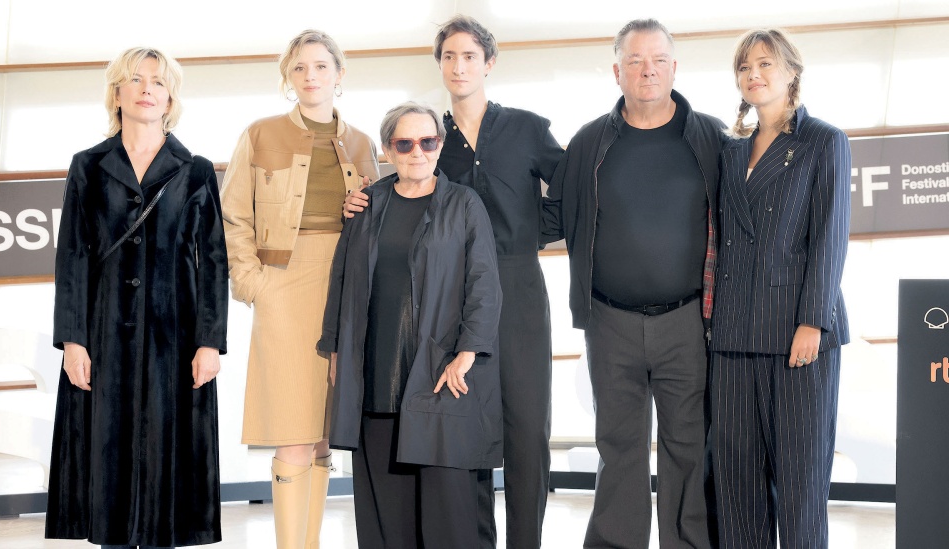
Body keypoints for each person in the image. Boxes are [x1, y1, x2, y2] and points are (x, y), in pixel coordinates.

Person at [344, 15, 564, 547]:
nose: (459, 66)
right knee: (468, 431)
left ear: (489, 63)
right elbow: (405, 197)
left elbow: (573, 196)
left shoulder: (528, 128)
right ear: (439, 65)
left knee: (526, 429)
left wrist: (525, 235)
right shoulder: (431, 138)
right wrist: (362, 200)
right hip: (449, 302)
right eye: (449, 56)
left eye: (469, 56)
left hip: (518, 290)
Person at [542, 19, 725, 549]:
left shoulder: (711, 138)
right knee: (618, 445)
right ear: (616, 70)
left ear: (674, 67)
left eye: (659, 59)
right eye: (636, 61)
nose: (648, 70)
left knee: (687, 447)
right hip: (610, 321)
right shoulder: (589, 142)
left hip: (688, 322)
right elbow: (551, 217)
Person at [46, 47, 228, 549]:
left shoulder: (195, 170)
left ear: (170, 97)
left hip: (177, 336)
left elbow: (214, 261)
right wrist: (73, 341)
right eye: (136, 79)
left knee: (168, 456)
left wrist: (210, 342)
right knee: (108, 455)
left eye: (159, 81)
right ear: (117, 94)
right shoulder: (88, 166)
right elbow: (71, 257)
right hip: (104, 334)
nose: (148, 88)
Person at [219, 30, 379, 549]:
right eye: (299, 68)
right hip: (283, 287)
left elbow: (379, 219)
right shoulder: (260, 133)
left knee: (325, 430)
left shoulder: (362, 142)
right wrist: (252, 283)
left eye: (320, 66)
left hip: (347, 283)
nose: (310, 76)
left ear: (339, 73)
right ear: (288, 77)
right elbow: (233, 214)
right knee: (293, 428)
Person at [318, 102, 502, 549]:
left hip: (441, 374)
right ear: (387, 149)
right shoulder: (367, 205)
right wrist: (337, 351)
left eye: (427, 141)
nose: (417, 152)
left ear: (439, 146)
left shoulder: (464, 204)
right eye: (404, 143)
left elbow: (484, 284)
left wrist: (467, 353)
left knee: (448, 513)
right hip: (377, 376)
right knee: (387, 516)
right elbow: (342, 280)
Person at [709, 28, 850, 549]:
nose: (754, 74)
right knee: (736, 484)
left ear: (792, 71)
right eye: (745, 67)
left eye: (765, 63)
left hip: (797, 332)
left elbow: (830, 237)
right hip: (732, 335)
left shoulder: (823, 141)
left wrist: (814, 320)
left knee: (800, 482)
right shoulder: (730, 152)